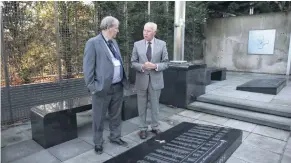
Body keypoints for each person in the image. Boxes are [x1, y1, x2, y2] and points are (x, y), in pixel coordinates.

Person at [83, 16, 128, 154]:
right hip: (101, 89)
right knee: (99, 117)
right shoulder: (93, 43)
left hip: (117, 86)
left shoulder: (114, 42)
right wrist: (93, 87)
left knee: (116, 115)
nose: (118, 30)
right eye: (116, 27)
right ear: (109, 27)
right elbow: (88, 68)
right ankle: (98, 142)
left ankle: (115, 137)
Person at [131, 22, 169, 139]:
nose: (145, 33)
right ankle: (142, 129)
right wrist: (142, 66)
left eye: (148, 31)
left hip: (156, 81)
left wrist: (155, 66)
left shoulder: (162, 44)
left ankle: (155, 126)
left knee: (155, 106)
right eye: (144, 30)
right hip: (142, 80)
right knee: (141, 106)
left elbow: (166, 63)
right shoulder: (137, 44)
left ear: (154, 33)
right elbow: (133, 62)